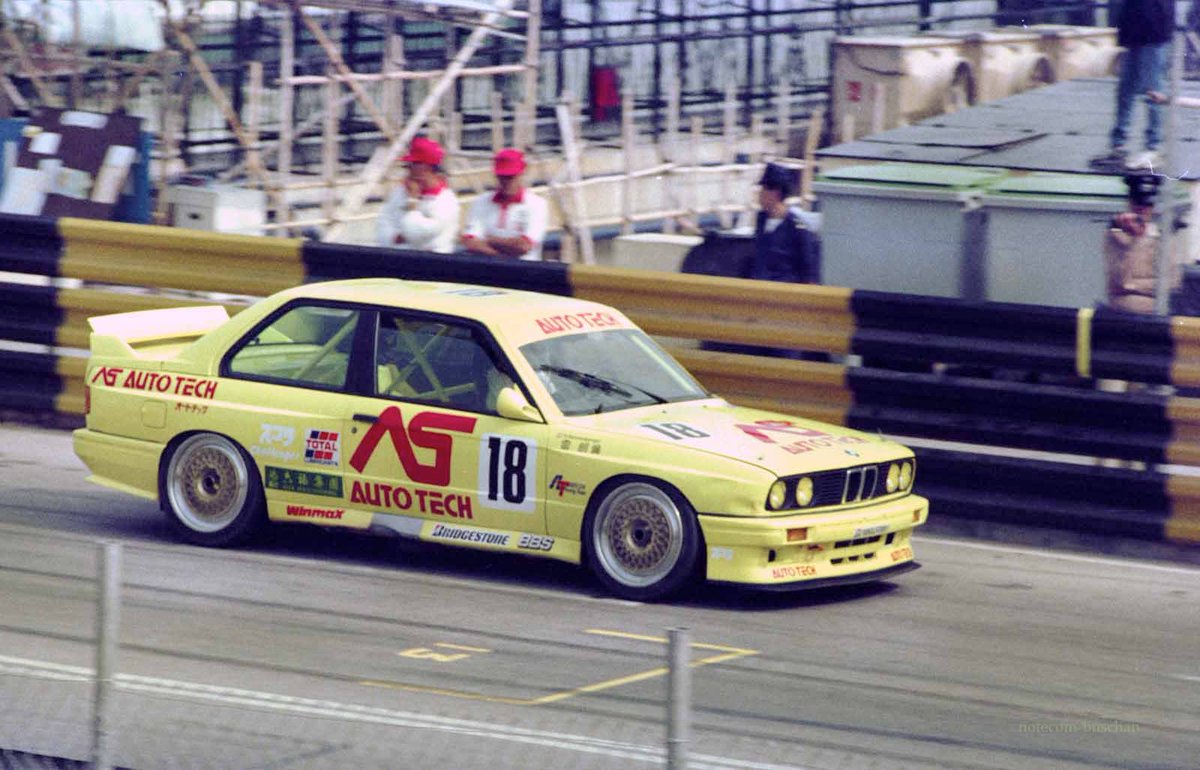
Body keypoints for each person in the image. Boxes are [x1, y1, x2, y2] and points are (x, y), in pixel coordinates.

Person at [1092, 0, 1175, 171]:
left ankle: (1154, 148)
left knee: (1153, 93)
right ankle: (1118, 147)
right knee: (1125, 92)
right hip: (1135, 33)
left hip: (1154, 33)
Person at [1104, 172, 1179, 312]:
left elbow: (1172, 282)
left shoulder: (1163, 236)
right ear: (1130, 202)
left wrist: (1133, 286)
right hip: (1123, 314)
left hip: (1158, 313)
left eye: (1147, 204)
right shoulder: (1116, 234)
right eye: (1138, 203)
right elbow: (1118, 283)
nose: (1142, 209)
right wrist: (1127, 241)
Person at [376, 136, 459, 254]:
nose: (408, 168)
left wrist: (412, 202)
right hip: (399, 258)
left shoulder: (446, 200)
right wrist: (396, 237)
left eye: (413, 164)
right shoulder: (400, 191)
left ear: (427, 167)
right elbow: (383, 223)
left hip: (433, 264)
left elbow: (418, 236)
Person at [462, 148, 548, 261]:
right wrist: (503, 256)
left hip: (523, 272)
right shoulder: (481, 202)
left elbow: (524, 246)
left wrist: (488, 240)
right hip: (489, 271)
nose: (506, 182)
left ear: (520, 174)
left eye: (510, 177)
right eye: (502, 177)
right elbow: (470, 242)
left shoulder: (537, 205)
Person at [747, 162, 820, 285]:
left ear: (775, 193)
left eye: (764, 189)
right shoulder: (761, 220)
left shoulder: (797, 228)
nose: (760, 194)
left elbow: (808, 269)